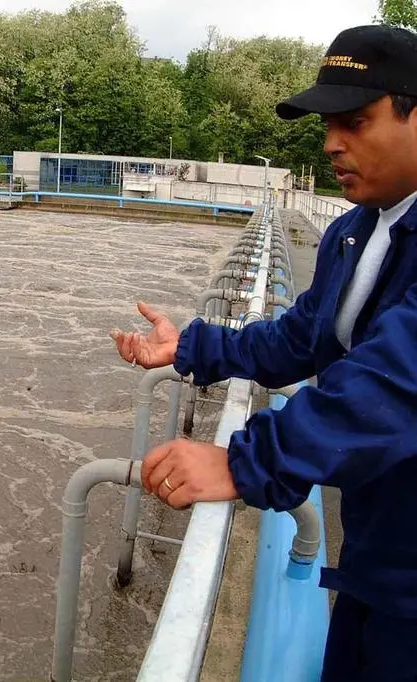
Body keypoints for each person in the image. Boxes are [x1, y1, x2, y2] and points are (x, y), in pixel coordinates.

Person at [110, 25, 417, 682]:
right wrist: (192, 346)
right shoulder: (355, 232)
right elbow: (297, 340)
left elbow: (393, 386)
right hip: (375, 556)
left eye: (356, 121)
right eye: (330, 124)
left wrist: (246, 465)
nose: (333, 142)